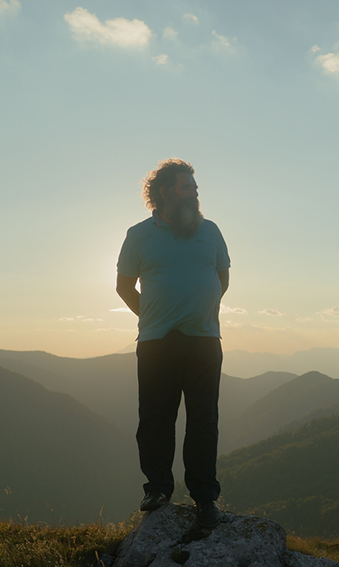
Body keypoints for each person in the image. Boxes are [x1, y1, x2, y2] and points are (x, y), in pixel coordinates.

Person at [116, 158, 230, 528]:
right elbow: (123, 286)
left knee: (203, 420)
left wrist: (201, 309)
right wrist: (151, 316)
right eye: (186, 188)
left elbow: (222, 278)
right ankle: (158, 489)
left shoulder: (210, 231)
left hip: (204, 340)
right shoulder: (138, 234)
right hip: (157, 341)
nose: (194, 194)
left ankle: (205, 498)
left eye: (195, 189)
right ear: (165, 192)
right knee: (155, 418)